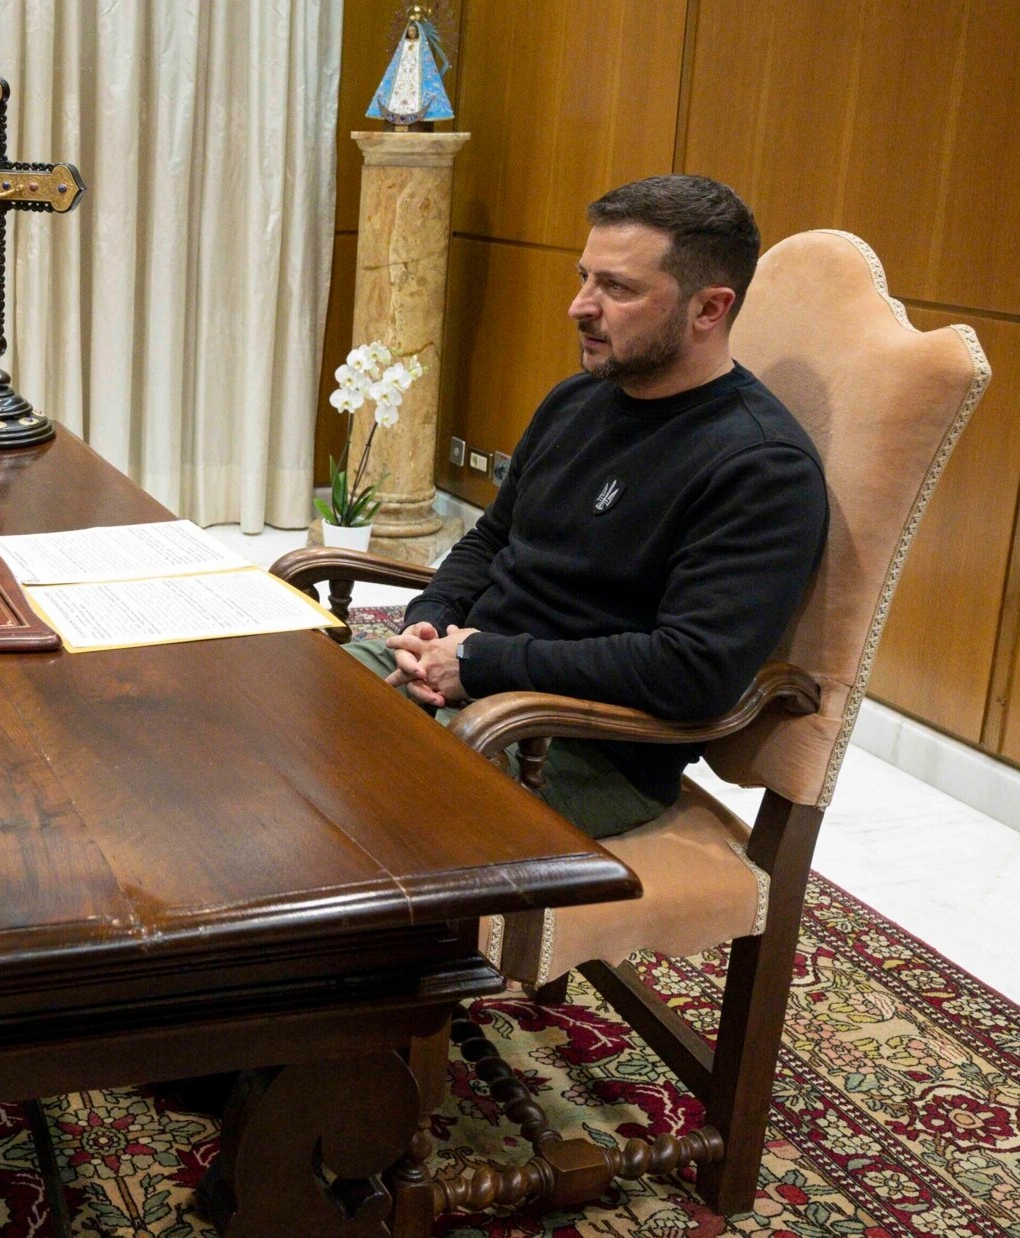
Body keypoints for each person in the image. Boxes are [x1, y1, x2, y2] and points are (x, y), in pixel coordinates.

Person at [348, 174, 829, 838]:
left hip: (579, 747)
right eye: (584, 277)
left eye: (618, 288)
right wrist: (433, 622)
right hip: (474, 687)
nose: (580, 305)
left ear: (709, 309)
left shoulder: (762, 467)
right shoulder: (577, 400)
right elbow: (492, 540)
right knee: (268, 709)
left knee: (337, 803)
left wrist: (484, 661)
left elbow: (692, 670)